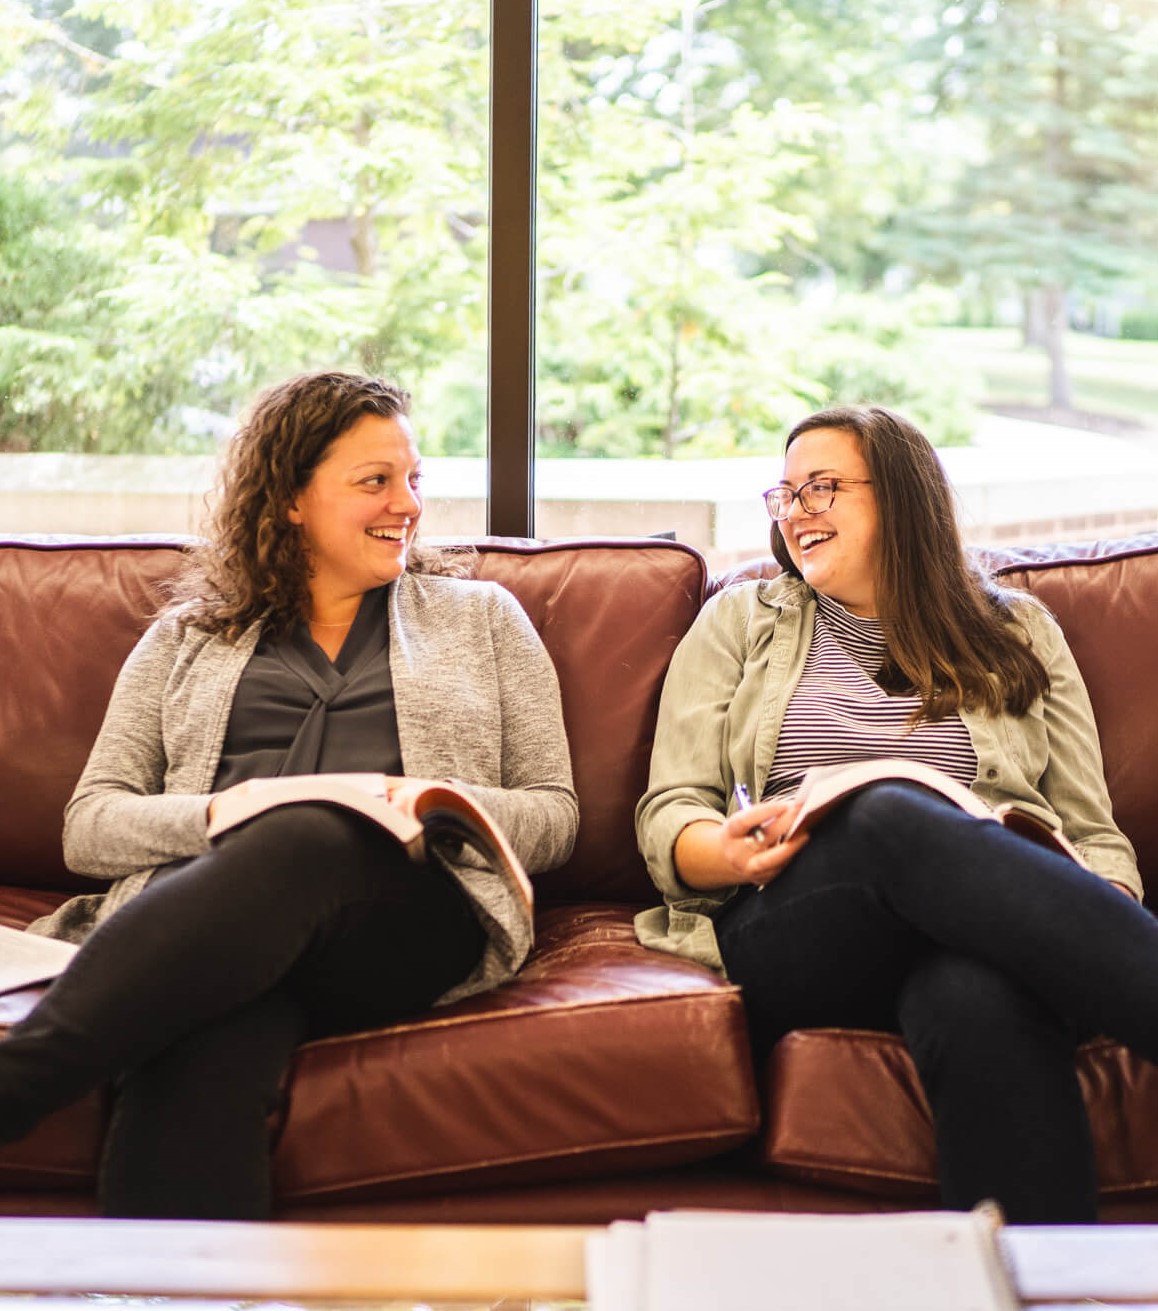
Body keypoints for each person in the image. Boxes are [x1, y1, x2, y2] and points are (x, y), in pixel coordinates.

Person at [0, 370, 578, 1219]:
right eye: (374, 481)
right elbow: (90, 826)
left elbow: (556, 811)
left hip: (410, 914)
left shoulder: (482, 617)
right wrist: (218, 814)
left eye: (414, 478)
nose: (408, 503)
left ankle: (22, 1081)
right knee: (207, 1038)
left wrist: (421, 796)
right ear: (292, 498)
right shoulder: (186, 639)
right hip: (217, 924)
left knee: (312, 832)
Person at [635, 403, 1158, 1224]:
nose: (796, 510)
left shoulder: (1017, 633)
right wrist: (729, 853)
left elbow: (1091, 833)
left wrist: (1083, 919)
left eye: (823, 487)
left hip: (982, 931)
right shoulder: (739, 621)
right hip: (798, 926)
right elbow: (671, 811)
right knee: (886, 812)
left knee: (978, 995)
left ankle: (1041, 1282)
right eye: (786, 493)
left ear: (903, 497)